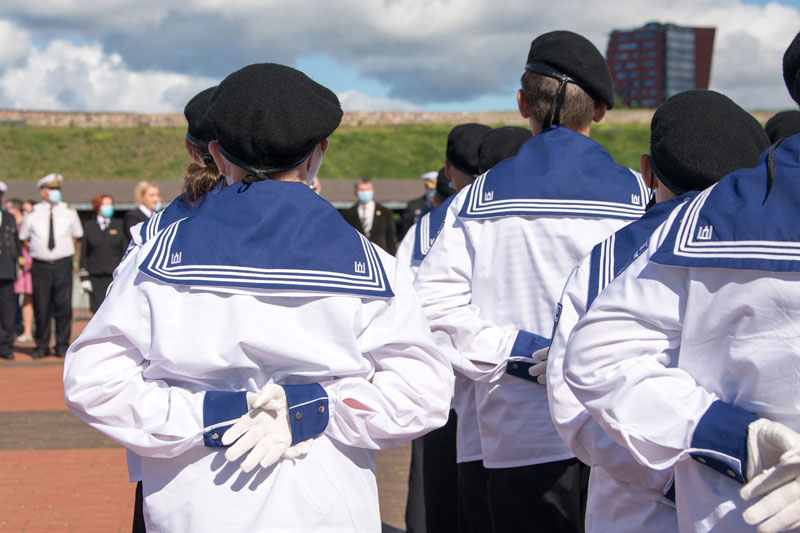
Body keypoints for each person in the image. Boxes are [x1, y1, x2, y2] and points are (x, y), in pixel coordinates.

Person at [63, 63, 453, 532]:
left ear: (216, 154)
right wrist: (313, 408)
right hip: (327, 505)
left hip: (195, 507)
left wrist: (208, 413)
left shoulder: (155, 258)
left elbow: (93, 382)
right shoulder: (373, 266)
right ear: (318, 155)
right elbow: (425, 393)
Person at [563, 31, 800, 533]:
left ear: (647, 171)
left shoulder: (622, 255)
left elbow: (584, 392)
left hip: (678, 505)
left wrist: (713, 451)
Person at [413, 30, 649, 532]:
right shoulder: (639, 197)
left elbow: (431, 310)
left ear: (522, 104)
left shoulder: (478, 198)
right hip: (617, 428)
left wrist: (520, 352)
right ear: (601, 110)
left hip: (515, 432)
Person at [19, 173, 82, 359]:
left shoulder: (69, 211)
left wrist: (60, 252)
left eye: (58, 189)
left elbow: (76, 236)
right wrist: (39, 252)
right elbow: (24, 239)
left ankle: (62, 344)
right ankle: (42, 345)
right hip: (40, 265)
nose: (56, 192)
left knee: (63, 306)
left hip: (62, 264)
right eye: (52, 189)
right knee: (41, 305)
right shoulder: (33, 213)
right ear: (42, 192)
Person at [78, 194, 127, 313]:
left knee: (114, 311)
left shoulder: (119, 225)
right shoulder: (89, 227)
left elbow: (124, 250)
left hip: (115, 276)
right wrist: (84, 277)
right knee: (98, 311)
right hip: (96, 277)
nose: (108, 207)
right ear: (98, 206)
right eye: (105, 205)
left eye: (110, 204)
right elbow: (84, 253)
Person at [340, 178, 399, 254]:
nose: (365, 192)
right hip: (356, 257)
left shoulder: (385, 212)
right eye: (362, 190)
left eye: (368, 190)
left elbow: (391, 239)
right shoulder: (347, 213)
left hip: (380, 256)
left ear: (373, 191)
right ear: (356, 192)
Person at [6, 198, 33, 343]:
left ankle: (27, 329)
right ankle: (16, 326)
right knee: (12, 299)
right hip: (13, 266)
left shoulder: (25, 224)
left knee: (28, 299)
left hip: (27, 265)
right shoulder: (10, 223)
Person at [0, 182, 21, 360]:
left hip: (6, 270)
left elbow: (15, 243)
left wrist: (19, 264)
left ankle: (6, 345)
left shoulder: (9, 218)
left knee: (7, 310)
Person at [399, 171, 438, 239]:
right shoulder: (414, 205)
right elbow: (406, 229)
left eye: (434, 189)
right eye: (430, 188)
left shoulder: (445, 204)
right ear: (425, 187)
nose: (432, 191)